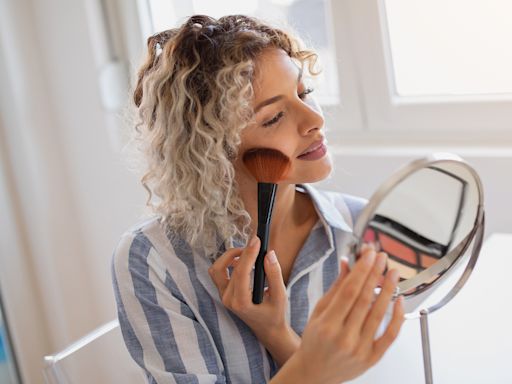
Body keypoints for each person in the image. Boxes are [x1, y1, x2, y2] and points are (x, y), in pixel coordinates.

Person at [111, 14, 404, 384]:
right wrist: (309, 367)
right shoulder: (155, 258)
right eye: (274, 117)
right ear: (211, 148)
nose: (314, 120)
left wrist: (277, 334)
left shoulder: (363, 229)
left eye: (304, 94)